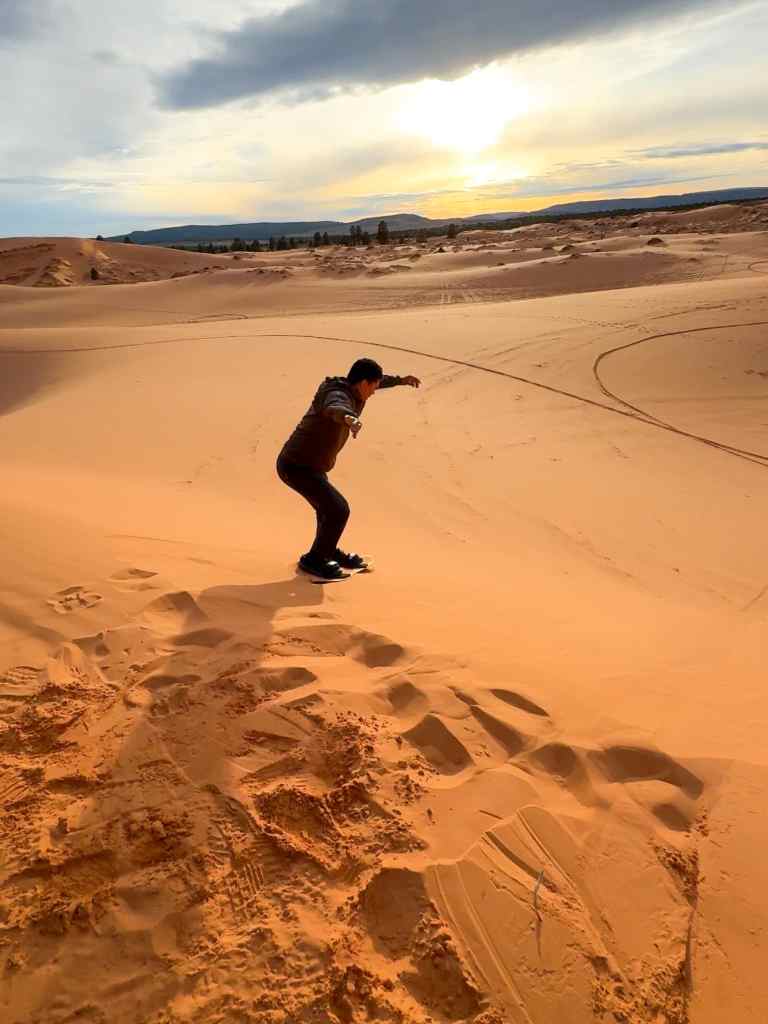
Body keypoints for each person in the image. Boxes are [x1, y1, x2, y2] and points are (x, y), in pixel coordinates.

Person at [277, 357, 421, 579]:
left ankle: (326, 549)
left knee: (328, 509)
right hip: (296, 465)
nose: (374, 391)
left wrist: (402, 380)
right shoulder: (336, 394)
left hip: (311, 466)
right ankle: (314, 560)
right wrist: (349, 418)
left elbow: (382, 381)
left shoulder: (355, 387)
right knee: (338, 509)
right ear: (364, 383)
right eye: (373, 386)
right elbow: (335, 407)